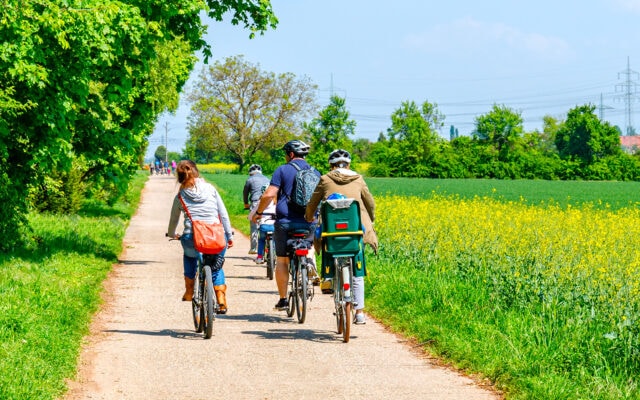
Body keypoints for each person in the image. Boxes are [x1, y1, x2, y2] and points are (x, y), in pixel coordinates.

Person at [304, 149, 377, 325]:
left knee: (329, 248)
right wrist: (371, 220)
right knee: (357, 271)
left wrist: (308, 217)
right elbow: (370, 203)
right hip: (355, 233)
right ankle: (359, 312)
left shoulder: (325, 179)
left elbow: (312, 203)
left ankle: (329, 278)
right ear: (349, 164)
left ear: (331, 165)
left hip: (332, 233)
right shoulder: (358, 179)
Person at [252, 140, 320, 311]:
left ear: (290, 154)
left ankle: (283, 299)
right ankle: (309, 262)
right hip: (309, 221)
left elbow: (269, 194)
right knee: (308, 245)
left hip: (286, 222)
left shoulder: (282, 170)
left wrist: (259, 212)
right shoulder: (315, 172)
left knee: (282, 260)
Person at [167, 160, 234, 314]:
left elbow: (173, 219)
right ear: (196, 172)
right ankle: (221, 299)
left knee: (190, 257)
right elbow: (223, 214)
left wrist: (172, 234)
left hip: (192, 237)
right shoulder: (210, 189)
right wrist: (229, 235)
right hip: (216, 236)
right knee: (216, 265)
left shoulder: (180, 196)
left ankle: (189, 291)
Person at [243, 164, 270, 254]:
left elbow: (245, 193)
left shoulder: (250, 180)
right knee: (267, 221)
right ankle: (269, 246)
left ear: (250, 172)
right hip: (267, 203)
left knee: (254, 225)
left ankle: (254, 248)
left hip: (255, 202)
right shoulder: (267, 179)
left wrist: (246, 204)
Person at [247, 184, 276, 264]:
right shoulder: (276, 202)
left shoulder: (261, 202)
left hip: (264, 226)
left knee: (261, 240)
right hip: (274, 226)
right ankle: (276, 255)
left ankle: (260, 257)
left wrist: (250, 217)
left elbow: (253, 213)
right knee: (275, 240)